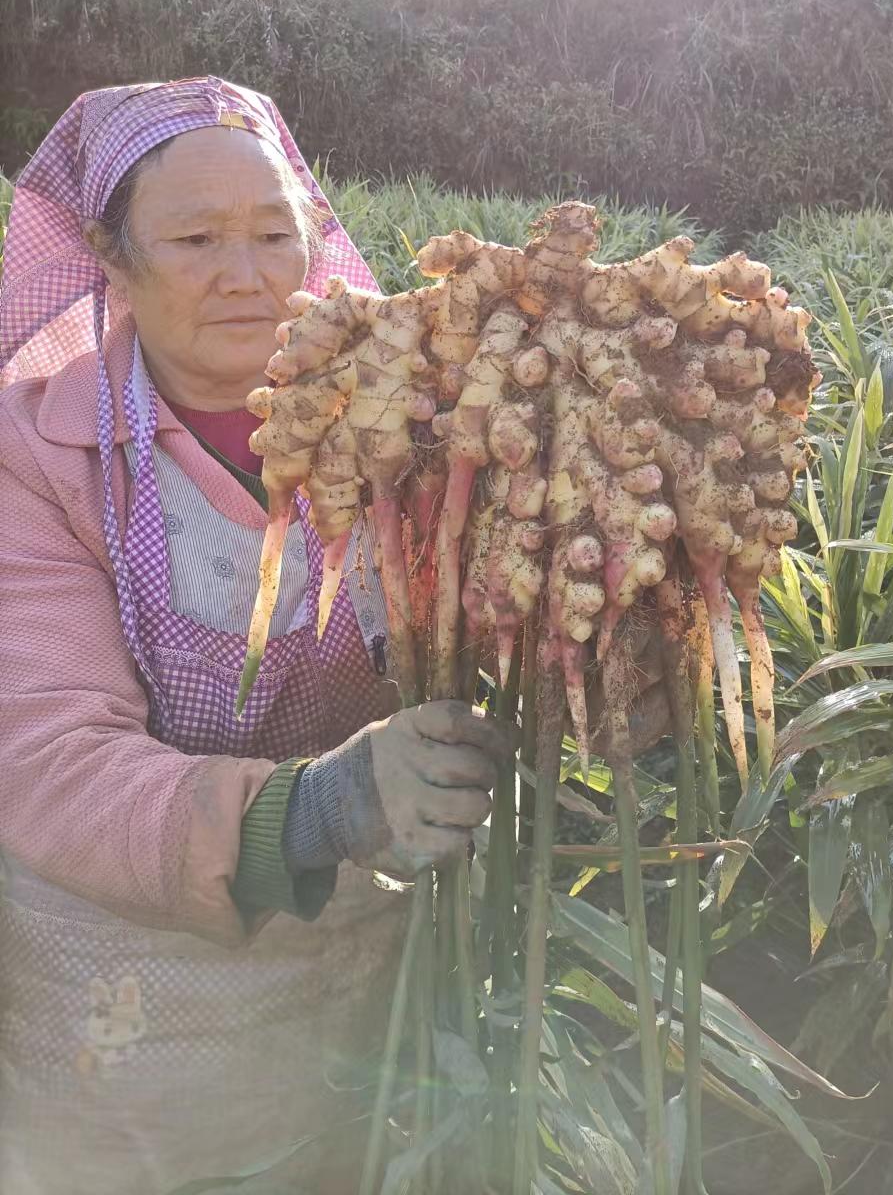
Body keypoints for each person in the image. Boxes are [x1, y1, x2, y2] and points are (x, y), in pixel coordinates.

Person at [0, 77, 514, 1194]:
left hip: (363, 1000)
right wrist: (315, 809)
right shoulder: (34, 452)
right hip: (128, 1027)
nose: (249, 276)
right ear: (109, 252)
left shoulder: (411, 422)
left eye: (277, 232)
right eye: (195, 238)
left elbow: (485, 624)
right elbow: (44, 759)